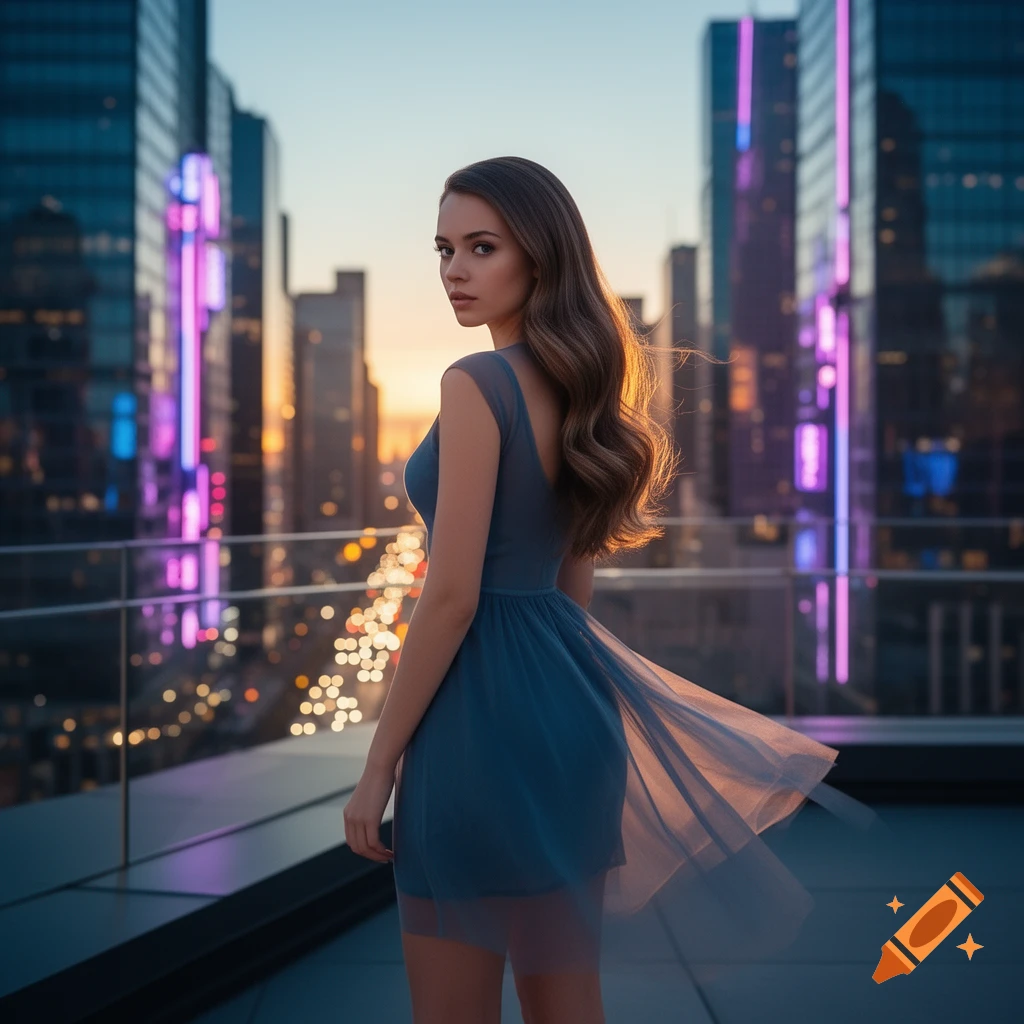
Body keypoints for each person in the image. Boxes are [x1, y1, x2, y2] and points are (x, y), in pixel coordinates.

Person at [342, 155, 881, 1024]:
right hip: (570, 714)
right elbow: (572, 583)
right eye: (444, 249)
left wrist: (377, 767)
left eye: (482, 247)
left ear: (541, 258)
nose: (454, 271)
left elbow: (451, 598)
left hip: (475, 723)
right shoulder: (584, 394)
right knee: (567, 1002)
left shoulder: (473, 384)